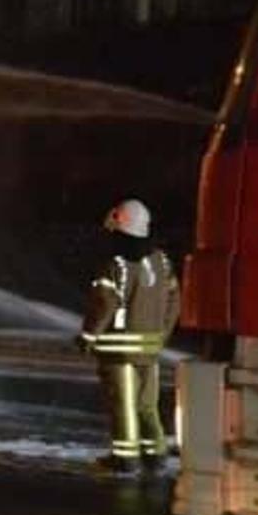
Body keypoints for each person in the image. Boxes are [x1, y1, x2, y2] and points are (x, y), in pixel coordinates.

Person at [79, 199, 180, 475]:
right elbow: (174, 300)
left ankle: (125, 458)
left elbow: (105, 304)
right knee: (147, 406)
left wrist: (88, 336)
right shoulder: (161, 262)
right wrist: (161, 334)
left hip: (118, 352)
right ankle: (156, 454)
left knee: (123, 405)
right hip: (150, 350)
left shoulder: (116, 264)